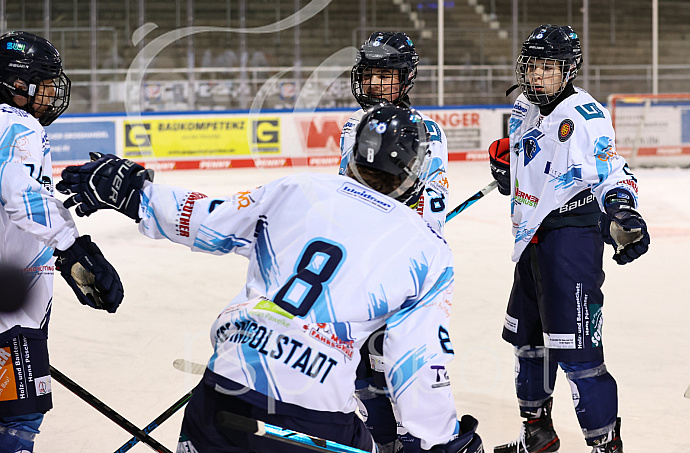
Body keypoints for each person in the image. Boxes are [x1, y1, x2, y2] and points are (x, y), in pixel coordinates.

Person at [56, 104, 483, 453]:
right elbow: (418, 361)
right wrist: (438, 441)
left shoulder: (296, 189)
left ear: (353, 153)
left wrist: (135, 192)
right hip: (313, 419)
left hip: (225, 389)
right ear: (415, 172)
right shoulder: (427, 250)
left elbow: (205, 220)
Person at [488, 25, 650, 453]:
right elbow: (530, 162)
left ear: (569, 69)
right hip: (530, 242)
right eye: (532, 66)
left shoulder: (584, 116)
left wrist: (620, 209)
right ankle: (537, 434)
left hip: (570, 242)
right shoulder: (523, 107)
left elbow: (612, 170)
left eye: (549, 67)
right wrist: (509, 168)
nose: (537, 75)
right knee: (527, 345)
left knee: (579, 358)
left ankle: (605, 446)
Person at [0, 31, 124, 452]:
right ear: (18, 85)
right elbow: (22, 196)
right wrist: (74, 247)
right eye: (46, 79)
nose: (53, 91)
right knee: (18, 423)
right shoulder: (20, 126)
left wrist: (62, 258)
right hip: (10, 315)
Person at [340, 31, 451, 453]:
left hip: (399, 270)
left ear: (405, 80)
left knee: (398, 365)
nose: (374, 85)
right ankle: (382, 441)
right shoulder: (354, 125)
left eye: (385, 76)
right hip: (357, 267)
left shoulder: (425, 130)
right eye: (369, 75)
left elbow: (431, 207)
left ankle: (414, 441)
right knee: (362, 367)